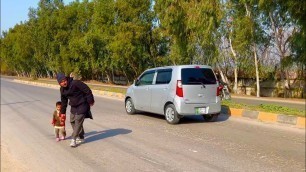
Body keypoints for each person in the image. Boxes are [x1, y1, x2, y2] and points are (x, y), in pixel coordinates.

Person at [56, 73, 95, 147]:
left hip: (82, 104)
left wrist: (91, 100)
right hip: (74, 105)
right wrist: (62, 112)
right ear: (59, 83)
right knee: (72, 121)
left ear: (66, 79)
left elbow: (87, 90)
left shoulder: (75, 83)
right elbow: (64, 101)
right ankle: (81, 136)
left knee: (78, 121)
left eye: (64, 80)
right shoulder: (62, 90)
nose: (64, 83)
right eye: (61, 82)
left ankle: (73, 138)